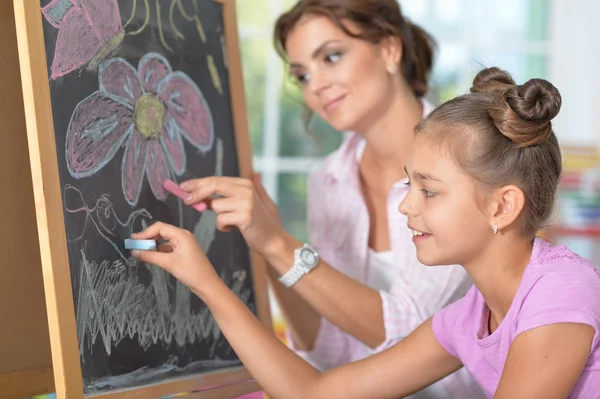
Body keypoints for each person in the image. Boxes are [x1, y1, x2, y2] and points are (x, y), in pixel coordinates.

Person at [132, 67, 600, 398]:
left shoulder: (559, 291)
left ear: (504, 205)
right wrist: (207, 284)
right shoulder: (468, 317)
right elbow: (315, 392)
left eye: (429, 192)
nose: (404, 205)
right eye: (407, 183)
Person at [250, 0, 479, 396]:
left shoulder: (466, 161)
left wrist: (278, 244)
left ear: (390, 50)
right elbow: (335, 351)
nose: (315, 85)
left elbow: (413, 334)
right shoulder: (329, 182)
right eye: (302, 75)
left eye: (331, 57)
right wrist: (266, 250)